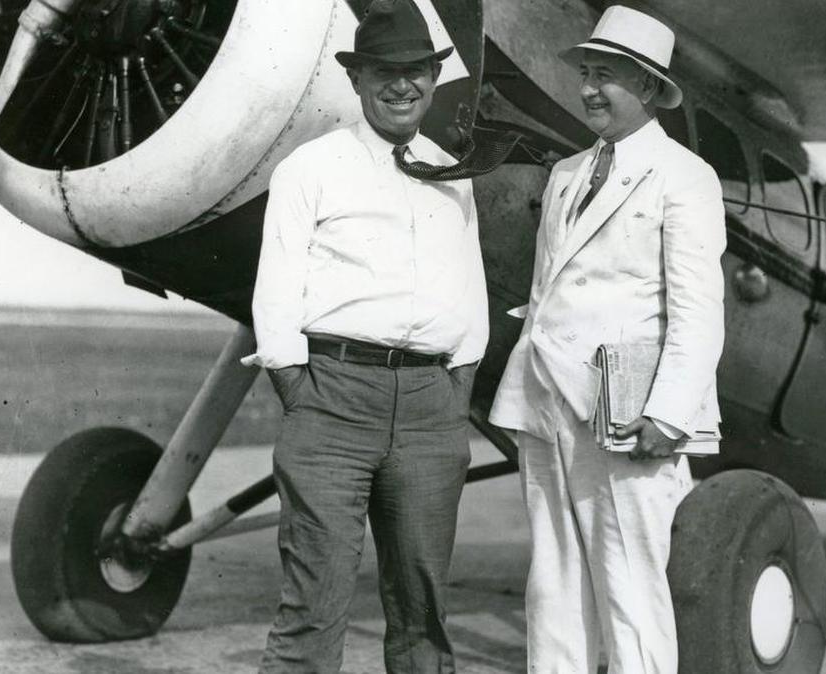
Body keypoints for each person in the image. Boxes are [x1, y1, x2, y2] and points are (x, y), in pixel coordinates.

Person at [239, 1, 488, 671]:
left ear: (434, 80)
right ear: (357, 78)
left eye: (417, 72)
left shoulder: (450, 176)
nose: (402, 85)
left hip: (431, 410)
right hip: (333, 403)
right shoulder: (310, 169)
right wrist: (306, 392)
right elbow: (276, 295)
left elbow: (473, 294)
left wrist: (453, 386)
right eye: (385, 70)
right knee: (313, 607)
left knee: (423, 611)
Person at [488, 4, 727, 673]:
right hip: (544, 404)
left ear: (649, 88)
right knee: (553, 586)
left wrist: (668, 412)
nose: (590, 88)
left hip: (629, 413)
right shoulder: (566, 175)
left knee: (630, 591)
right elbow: (543, 297)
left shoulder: (685, 176)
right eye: (587, 73)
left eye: (609, 76)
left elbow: (698, 310)